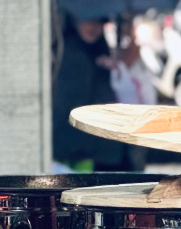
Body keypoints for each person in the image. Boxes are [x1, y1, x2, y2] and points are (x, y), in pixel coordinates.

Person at [52, 15, 135, 171]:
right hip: (75, 143)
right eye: (88, 20)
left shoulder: (99, 53)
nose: (94, 27)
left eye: (99, 22)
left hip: (94, 145)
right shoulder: (69, 53)